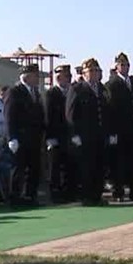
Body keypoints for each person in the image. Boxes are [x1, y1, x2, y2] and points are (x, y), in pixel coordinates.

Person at [66, 58, 113, 206]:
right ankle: (87, 196)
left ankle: (97, 195)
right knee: (87, 167)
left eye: (96, 71)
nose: (93, 74)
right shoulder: (77, 89)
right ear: (84, 73)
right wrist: (74, 134)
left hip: (100, 134)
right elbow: (70, 114)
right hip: (85, 135)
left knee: (100, 166)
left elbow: (108, 111)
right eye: (90, 71)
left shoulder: (103, 89)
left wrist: (110, 132)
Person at [105, 53, 133, 202]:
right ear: (116, 67)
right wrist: (112, 132)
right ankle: (118, 192)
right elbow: (109, 110)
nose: (124, 68)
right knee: (119, 164)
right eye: (121, 65)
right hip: (120, 130)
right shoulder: (111, 85)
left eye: (126, 65)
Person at [5, 64, 46, 207]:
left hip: (34, 137)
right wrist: (12, 137)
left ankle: (30, 196)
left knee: (34, 168)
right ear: (27, 76)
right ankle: (15, 198)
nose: (37, 79)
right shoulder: (14, 92)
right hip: (20, 137)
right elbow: (9, 116)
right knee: (18, 168)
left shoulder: (35, 93)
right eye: (35, 75)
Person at [45, 64, 78, 203]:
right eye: (57, 74)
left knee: (70, 166)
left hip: (70, 135)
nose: (59, 77)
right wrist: (49, 137)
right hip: (56, 136)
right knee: (55, 167)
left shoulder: (73, 91)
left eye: (62, 74)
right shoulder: (51, 93)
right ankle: (55, 194)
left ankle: (69, 193)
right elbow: (47, 116)